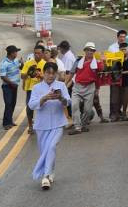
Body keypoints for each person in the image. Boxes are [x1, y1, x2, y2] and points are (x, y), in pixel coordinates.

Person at [28, 60, 71, 190]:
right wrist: (44, 98)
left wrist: (61, 98)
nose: (51, 76)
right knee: (44, 151)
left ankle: (45, 176)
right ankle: (51, 171)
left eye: (53, 73)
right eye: (48, 73)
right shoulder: (36, 88)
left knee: (51, 147)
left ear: (56, 74)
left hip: (58, 123)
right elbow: (31, 104)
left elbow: (68, 101)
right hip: (42, 125)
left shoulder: (61, 86)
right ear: (44, 73)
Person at [70, 42, 100, 133]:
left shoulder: (97, 63)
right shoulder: (78, 61)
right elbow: (71, 74)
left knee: (88, 110)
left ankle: (82, 125)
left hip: (90, 87)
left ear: (94, 52)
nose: (90, 52)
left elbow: (99, 76)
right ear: (85, 51)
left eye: (92, 50)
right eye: (88, 50)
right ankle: (77, 127)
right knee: (74, 105)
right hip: (78, 86)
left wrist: (97, 89)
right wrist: (65, 84)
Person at [104, 29, 128, 121]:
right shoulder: (112, 47)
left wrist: (127, 55)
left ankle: (121, 113)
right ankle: (113, 113)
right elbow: (108, 61)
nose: (122, 38)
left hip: (126, 74)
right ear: (117, 37)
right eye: (121, 37)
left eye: (124, 37)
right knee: (114, 95)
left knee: (124, 95)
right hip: (115, 75)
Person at [20, 44, 47, 128]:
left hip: (42, 89)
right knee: (29, 107)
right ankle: (30, 126)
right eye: (35, 53)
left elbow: (48, 78)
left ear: (43, 54)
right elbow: (22, 76)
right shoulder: (28, 63)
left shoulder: (45, 64)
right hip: (30, 89)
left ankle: (42, 124)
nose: (36, 55)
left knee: (42, 107)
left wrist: (39, 75)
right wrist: (28, 72)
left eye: (39, 53)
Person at [0, 45, 21, 128]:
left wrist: (21, 64)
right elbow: (3, 76)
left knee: (13, 104)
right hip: (8, 87)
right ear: (11, 53)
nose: (17, 53)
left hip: (14, 86)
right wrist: (11, 83)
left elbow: (20, 67)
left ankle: (10, 120)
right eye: (16, 52)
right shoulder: (4, 63)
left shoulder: (15, 60)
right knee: (8, 104)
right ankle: (6, 123)